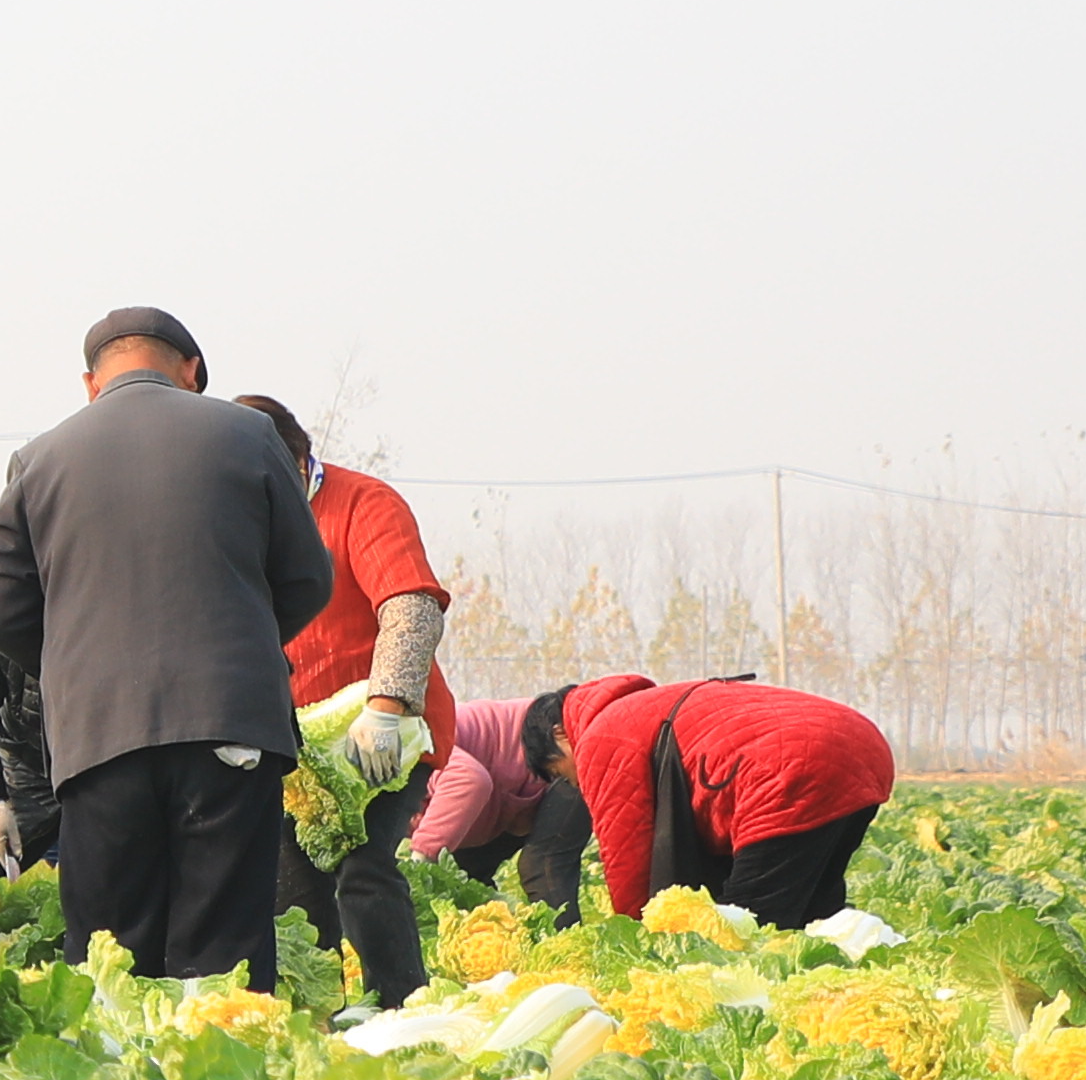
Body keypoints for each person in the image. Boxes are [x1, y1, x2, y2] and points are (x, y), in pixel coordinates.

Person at [0, 307, 332, 989]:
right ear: (190, 373)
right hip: (230, 730)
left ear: (91, 382)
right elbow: (307, 578)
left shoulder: (39, 459)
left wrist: (76, 668)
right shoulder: (250, 434)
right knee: (225, 952)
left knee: (112, 954)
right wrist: (238, 650)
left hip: (98, 740)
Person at [245, 400, 457, 1002]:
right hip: (295, 746)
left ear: (299, 461)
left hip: (383, 734)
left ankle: (399, 1006)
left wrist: (387, 705)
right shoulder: (233, 513)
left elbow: (410, 605)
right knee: (292, 889)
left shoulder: (363, 503)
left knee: (362, 866)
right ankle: (315, 1018)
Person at [540, 671, 898, 928]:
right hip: (862, 745)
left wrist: (637, 936)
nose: (571, 782)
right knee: (816, 909)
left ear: (560, 734)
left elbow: (628, 855)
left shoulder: (601, 737)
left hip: (790, 769)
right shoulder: (647, 704)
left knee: (746, 930)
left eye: (558, 772)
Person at [400, 679, 597, 915]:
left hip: (560, 760)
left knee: (543, 866)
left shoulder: (410, 746)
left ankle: (568, 947)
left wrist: (420, 860)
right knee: (463, 882)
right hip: (503, 804)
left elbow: (468, 780)